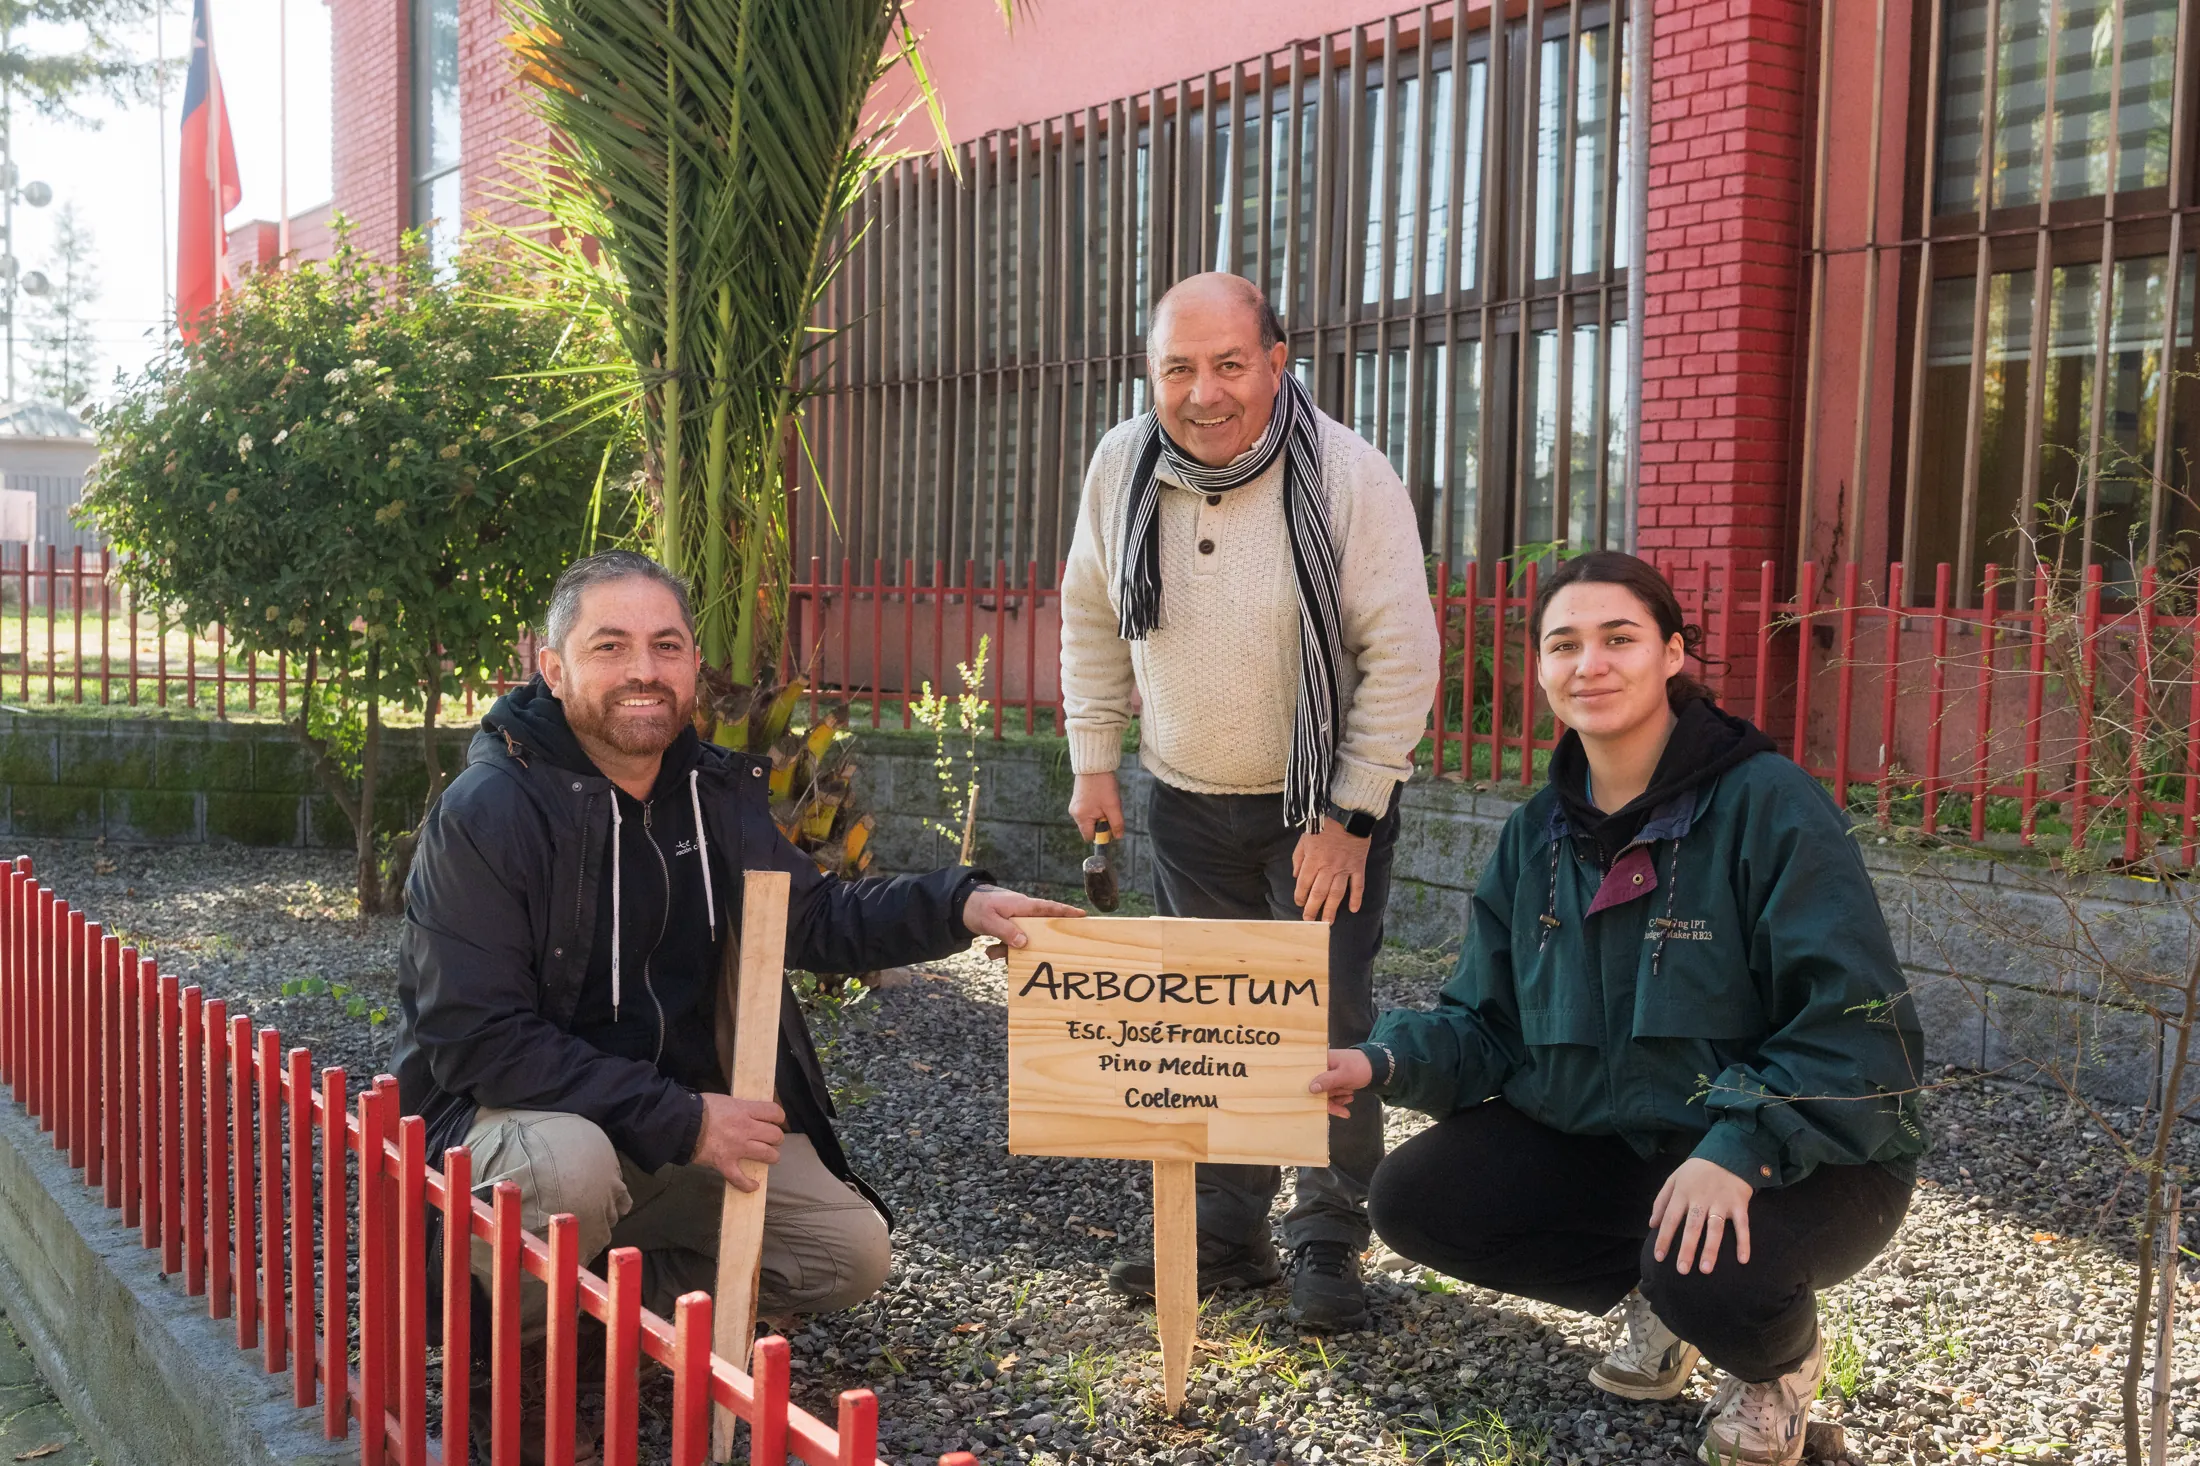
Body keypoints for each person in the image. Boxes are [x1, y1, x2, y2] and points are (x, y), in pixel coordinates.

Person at [394, 550, 1077, 1450]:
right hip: (521, 1126)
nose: (643, 670)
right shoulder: (491, 810)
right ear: (553, 669)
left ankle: (598, 1329)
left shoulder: (710, 792)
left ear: (692, 666)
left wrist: (958, 905)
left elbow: (814, 917)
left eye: (666, 646)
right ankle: (506, 1356)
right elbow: (477, 1038)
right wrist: (685, 1120)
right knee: (570, 1169)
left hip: (673, 1125)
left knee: (846, 1250)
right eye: (610, 646)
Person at [1308, 550, 1924, 1465]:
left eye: (1619, 638)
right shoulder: (1536, 835)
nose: (1589, 664)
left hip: (1813, 1156)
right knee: (1415, 1199)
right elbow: (1489, 1025)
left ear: (1673, 654)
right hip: (1626, 1140)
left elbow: (1855, 1029)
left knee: (1711, 1271)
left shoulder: (1768, 805)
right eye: (1564, 644)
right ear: (1542, 669)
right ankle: (1663, 1298)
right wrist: (1381, 1060)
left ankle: (1775, 1365)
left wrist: (1743, 1146)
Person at [1060, 271, 1441, 1330]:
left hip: (1320, 808)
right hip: (1186, 799)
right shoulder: (1123, 463)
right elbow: (1090, 611)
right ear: (1150, 373)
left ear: (1276, 361)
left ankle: (1328, 1237)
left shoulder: (1349, 475)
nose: (1204, 392)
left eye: (1230, 364)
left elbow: (1402, 655)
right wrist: (1094, 759)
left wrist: (1350, 816)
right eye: (1178, 368)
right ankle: (1226, 1237)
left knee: (1326, 1023)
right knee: (1213, 1021)